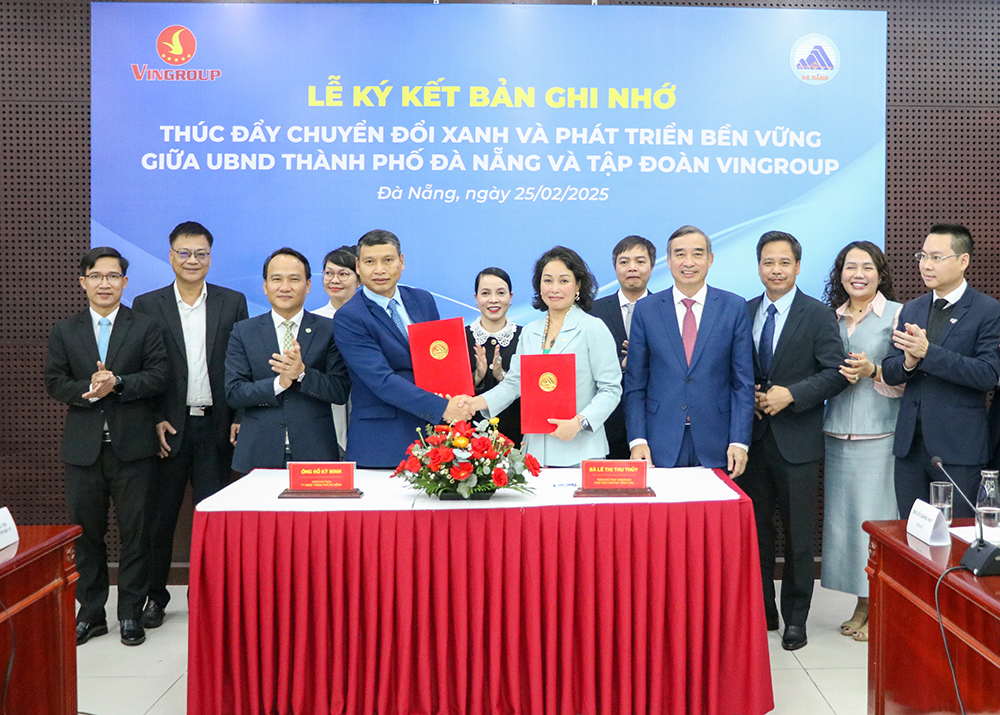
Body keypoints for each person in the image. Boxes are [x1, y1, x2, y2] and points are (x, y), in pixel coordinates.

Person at [44, 247, 168, 647]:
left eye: (113, 276)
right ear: (83, 281)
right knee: (87, 535)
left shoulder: (145, 327)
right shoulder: (66, 330)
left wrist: (119, 383)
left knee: (136, 534)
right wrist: (90, 390)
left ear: (125, 282)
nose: (105, 283)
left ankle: (130, 613)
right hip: (83, 451)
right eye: (96, 276)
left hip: (133, 449)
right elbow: (54, 382)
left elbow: (159, 376)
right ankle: (91, 613)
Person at [131, 221, 248, 630]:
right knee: (160, 520)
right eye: (184, 253)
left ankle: (210, 599)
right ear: (171, 256)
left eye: (200, 253)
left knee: (213, 520)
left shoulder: (232, 302)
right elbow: (141, 368)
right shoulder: (148, 304)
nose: (192, 260)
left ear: (210, 257)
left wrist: (239, 417)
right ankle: (155, 597)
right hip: (169, 429)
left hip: (216, 427)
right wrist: (153, 418)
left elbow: (242, 365)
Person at [741, 231, 848, 651]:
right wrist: (747, 394)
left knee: (799, 536)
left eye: (784, 262)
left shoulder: (818, 315)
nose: (776, 270)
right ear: (758, 267)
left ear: (798, 267)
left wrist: (793, 394)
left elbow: (837, 372)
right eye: (768, 262)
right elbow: (734, 369)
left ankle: (796, 619)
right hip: (751, 440)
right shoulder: (744, 311)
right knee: (756, 533)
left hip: (797, 440)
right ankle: (763, 610)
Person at [883, 223, 1000, 519]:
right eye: (922, 256)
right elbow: (890, 370)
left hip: (958, 448)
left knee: (955, 536)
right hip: (910, 446)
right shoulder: (911, 309)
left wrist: (928, 353)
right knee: (911, 533)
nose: (926, 265)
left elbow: (988, 374)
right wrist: (909, 362)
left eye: (936, 257)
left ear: (963, 261)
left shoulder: (988, 311)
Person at [465, 247, 622, 467]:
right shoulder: (531, 331)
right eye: (547, 281)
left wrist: (579, 423)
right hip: (535, 452)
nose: (554, 288)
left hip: (581, 450)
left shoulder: (592, 328)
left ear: (578, 285)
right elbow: (514, 383)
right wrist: (474, 403)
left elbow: (611, 389)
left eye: (564, 281)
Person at [333, 230, 474, 468]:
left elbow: (438, 362)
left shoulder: (422, 300)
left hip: (434, 439)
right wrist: (443, 409)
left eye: (388, 260)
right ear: (358, 266)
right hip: (383, 442)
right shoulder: (350, 316)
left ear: (401, 261)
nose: (379, 270)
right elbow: (382, 381)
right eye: (370, 262)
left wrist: (459, 399)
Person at [820, 241, 903, 643]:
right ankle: (862, 601)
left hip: (880, 433)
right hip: (837, 432)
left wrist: (873, 371)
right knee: (849, 526)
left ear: (880, 273)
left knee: (878, 524)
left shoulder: (898, 315)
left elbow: (907, 379)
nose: (858, 274)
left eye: (867, 267)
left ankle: (882, 605)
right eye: (850, 266)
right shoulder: (829, 318)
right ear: (840, 274)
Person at [624, 226, 754, 475]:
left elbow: (742, 383)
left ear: (710, 259)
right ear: (669, 261)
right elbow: (635, 383)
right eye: (680, 254)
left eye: (697, 254)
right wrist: (638, 440)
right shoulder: (646, 309)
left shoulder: (733, 307)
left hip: (718, 440)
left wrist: (739, 441)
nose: (689, 262)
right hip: (660, 440)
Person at [224, 248, 350, 472]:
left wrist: (302, 374)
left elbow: (339, 391)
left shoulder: (328, 330)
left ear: (308, 285)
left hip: (315, 452)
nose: (285, 287)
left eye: (294, 279)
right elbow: (234, 393)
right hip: (258, 453)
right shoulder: (244, 331)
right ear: (265, 286)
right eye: (276, 279)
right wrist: (278, 384)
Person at [590, 235, 655, 458]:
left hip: (653, 417)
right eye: (624, 262)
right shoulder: (593, 312)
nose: (632, 268)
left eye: (640, 261)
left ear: (652, 266)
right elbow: (584, 363)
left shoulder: (666, 310)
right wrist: (622, 362)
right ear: (615, 267)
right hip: (607, 420)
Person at [466, 267, 522, 447]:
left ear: (510, 297)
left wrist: (502, 377)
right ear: (476, 298)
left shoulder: (526, 337)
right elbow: (450, 394)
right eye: (485, 293)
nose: (493, 299)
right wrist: (476, 378)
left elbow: (534, 392)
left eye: (500, 293)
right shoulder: (460, 338)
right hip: (468, 442)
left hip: (517, 439)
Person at [311, 244, 359, 454]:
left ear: (359, 279)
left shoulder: (371, 317)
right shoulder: (312, 321)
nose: (334, 280)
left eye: (343, 274)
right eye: (329, 273)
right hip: (325, 409)